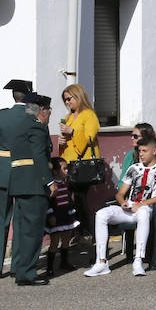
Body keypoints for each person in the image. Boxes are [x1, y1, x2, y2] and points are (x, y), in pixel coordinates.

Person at [83, 136, 156, 277]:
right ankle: (101, 262)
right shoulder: (134, 168)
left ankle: (138, 261)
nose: (140, 154)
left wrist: (142, 204)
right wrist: (122, 202)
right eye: (139, 150)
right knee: (101, 214)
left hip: (147, 208)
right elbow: (120, 193)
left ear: (154, 151)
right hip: (129, 208)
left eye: (144, 151)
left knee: (142, 213)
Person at [0, 79, 34, 280]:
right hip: (24, 170)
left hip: (3, 170)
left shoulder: (1, 116)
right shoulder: (33, 115)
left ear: (13, 96)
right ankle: (17, 266)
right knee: (20, 220)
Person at [4, 92, 54, 287]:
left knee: (23, 230)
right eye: (49, 110)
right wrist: (49, 181)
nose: (49, 114)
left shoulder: (19, 126)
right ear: (42, 110)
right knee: (33, 231)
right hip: (34, 185)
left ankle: (19, 267)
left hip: (19, 184)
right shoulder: (37, 128)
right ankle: (27, 273)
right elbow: (39, 156)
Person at [58, 83, 100, 232]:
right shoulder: (68, 117)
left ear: (78, 96)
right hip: (69, 164)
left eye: (69, 99)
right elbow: (67, 139)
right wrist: (61, 142)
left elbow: (89, 138)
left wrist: (72, 131)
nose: (67, 102)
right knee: (68, 198)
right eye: (65, 100)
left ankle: (85, 231)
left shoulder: (89, 115)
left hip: (83, 164)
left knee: (80, 197)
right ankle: (74, 230)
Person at [44, 158, 79, 276]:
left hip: (66, 215)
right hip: (56, 216)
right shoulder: (52, 186)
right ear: (55, 172)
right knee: (54, 242)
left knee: (66, 240)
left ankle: (64, 262)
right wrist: (50, 215)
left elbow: (69, 199)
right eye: (64, 168)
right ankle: (49, 268)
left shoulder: (66, 183)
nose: (67, 170)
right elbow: (48, 202)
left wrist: (72, 211)